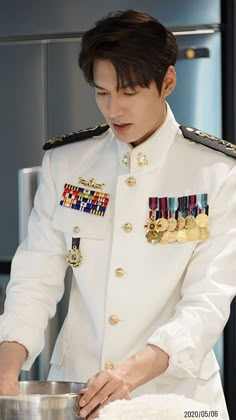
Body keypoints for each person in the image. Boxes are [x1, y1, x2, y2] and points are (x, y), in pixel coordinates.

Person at [0, 9, 235, 420]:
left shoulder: (215, 171)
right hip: (75, 393)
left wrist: (132, 371)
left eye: (128, 92)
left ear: (167, 82)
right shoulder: (68, 163)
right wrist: (7, 362)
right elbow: (36, 276)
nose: (113, 110)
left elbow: (208, 300)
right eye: (102, 92)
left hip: (175, 401)